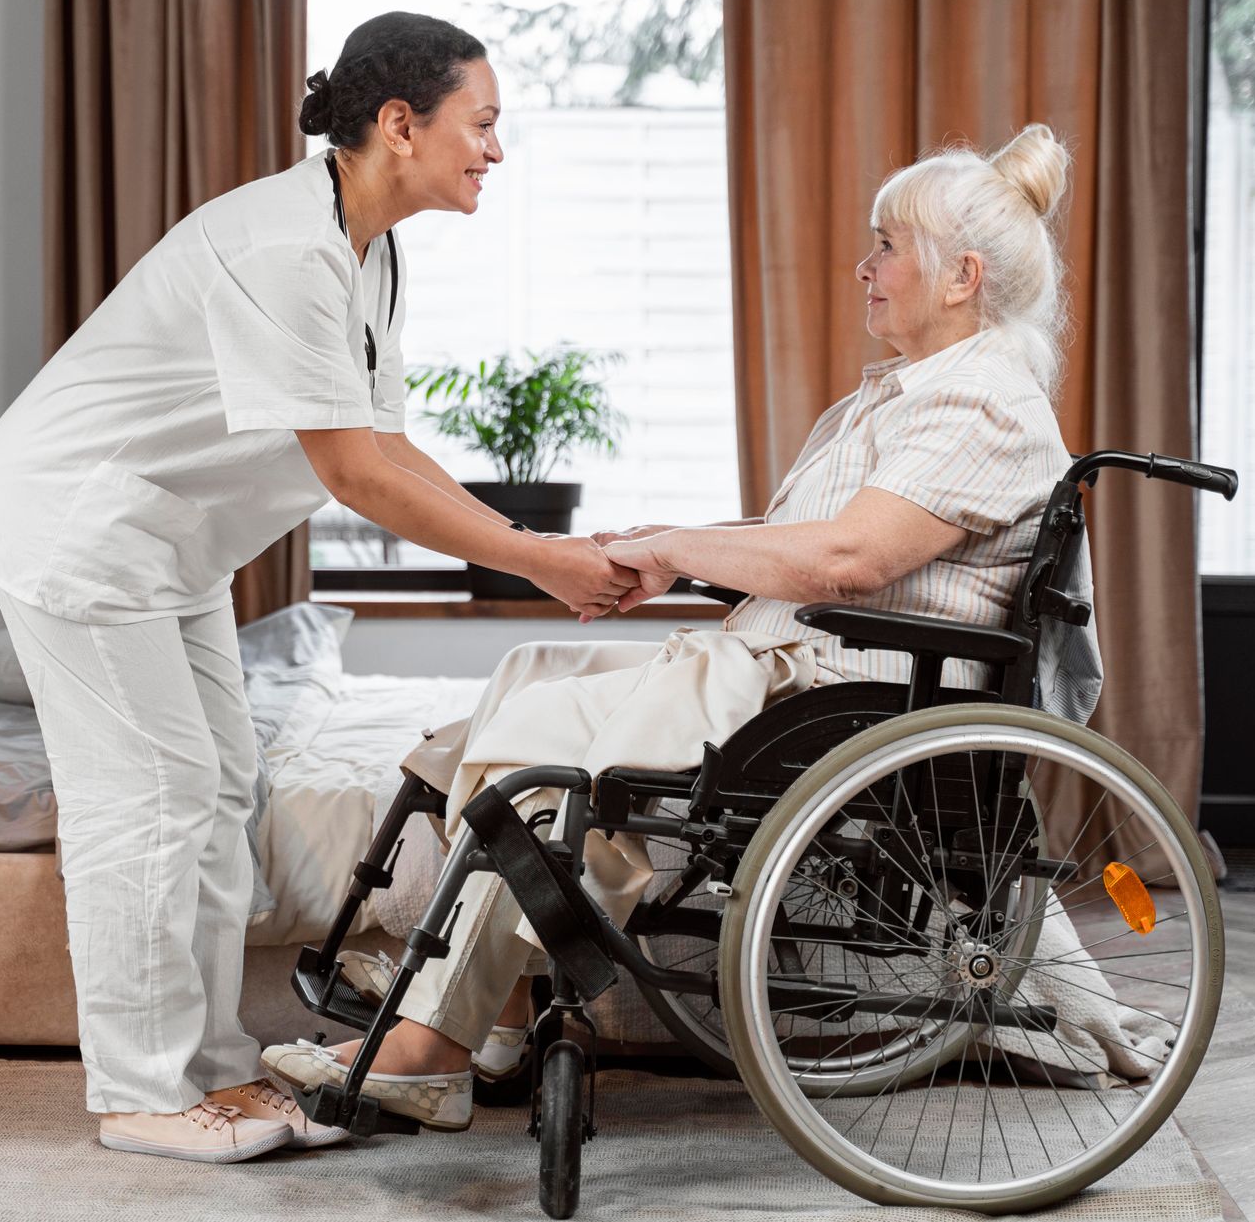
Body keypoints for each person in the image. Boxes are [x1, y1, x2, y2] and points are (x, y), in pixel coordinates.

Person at [261, 123, 1084, 1133]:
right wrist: (662, 542)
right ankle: (493, 1003)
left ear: (961, 277)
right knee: (529, 672)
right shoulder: (917, 394)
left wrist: (681, 549)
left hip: (828, 693)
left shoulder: (981, 403)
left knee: (541, 753)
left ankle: (438, 1037)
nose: (864, 266)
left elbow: (845, 561)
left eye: (887, 246)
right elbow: (804, 541)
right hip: (797, 665)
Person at [0, 11, 641, 1164]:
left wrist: (534, 543)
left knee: (224, 781)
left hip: (170, 542)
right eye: (483, 125)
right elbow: (355, 473)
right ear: (398, 124)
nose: (495, 151)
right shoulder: (287, 247)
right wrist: (544, 560)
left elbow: (390, 441)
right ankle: (137, 1092)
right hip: (81, 525)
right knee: (153, 791)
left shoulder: (369, 246)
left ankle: (208, 1062)